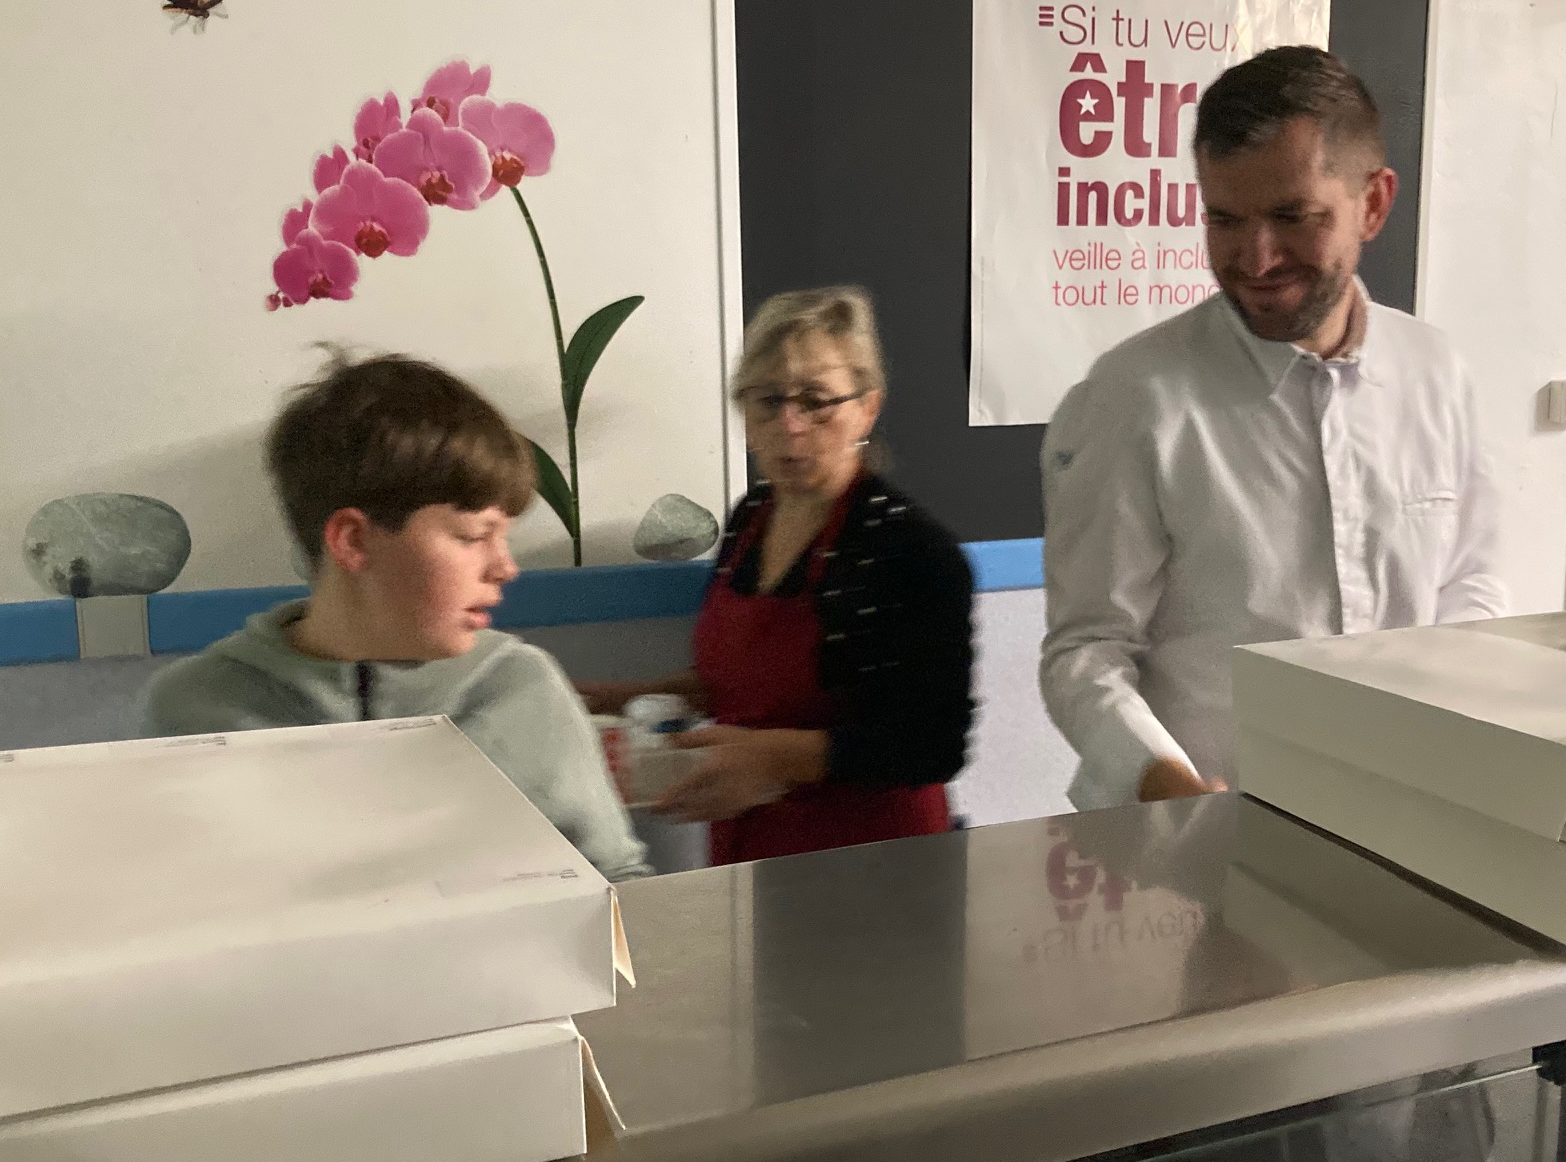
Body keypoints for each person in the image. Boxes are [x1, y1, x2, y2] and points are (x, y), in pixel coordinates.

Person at [1040, 46, 1506, 811]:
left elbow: (1471, 581)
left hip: (1414, 817)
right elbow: (1085, 650)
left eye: (1293, 217)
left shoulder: (1436, 373)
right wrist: (1161, 782)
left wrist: (1447, 732)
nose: (1255, 259)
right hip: (1197, 841)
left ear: (1374, 203)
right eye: (1225, 219)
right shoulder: (1131, 398)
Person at [145, 349, 648, 880]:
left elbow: (614, 882)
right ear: (353, 541)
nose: (505, 568)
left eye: (504, 538)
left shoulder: (521, 686)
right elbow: (166, 904)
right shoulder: (192, 710)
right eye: (473, 536)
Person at [581, 286, 975, 865]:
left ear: (867, 407)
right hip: (753, 848)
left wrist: (770, 757)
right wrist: (614, 698)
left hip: (877, 861)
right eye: (768, 401)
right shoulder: (751, 520)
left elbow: (931, 745)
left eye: (816, 401)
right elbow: (741, 685)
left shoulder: (910, 549)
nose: (790, 425)